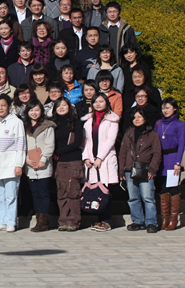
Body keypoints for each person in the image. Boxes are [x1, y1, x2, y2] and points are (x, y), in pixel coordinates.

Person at [119, 107, 162, 233]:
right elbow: (123, 153)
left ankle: (151, 222)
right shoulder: (128, 133)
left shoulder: (152, 135)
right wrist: (121, 171)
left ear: (145, 118)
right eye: (134, 117)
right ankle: (137, 221)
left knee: (148, 197)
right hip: (129, 169)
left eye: (139, 117)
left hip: (145, 169)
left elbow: (157, 153)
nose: (136, 119)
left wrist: (152, 169)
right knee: (133, 198)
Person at [0, 94, 26, 233]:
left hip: (10, 165)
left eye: (3, 105)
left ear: (9, 106)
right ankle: (0, 221)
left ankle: (11, 222)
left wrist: (18, 164)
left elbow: (21, 144)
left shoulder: (16, 122)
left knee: (11, 196)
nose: (0, 108)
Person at [82, 93, 120, 232]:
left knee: (105, 190)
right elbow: (86, 141)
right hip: (91, 160)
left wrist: (100, 158)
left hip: (105, 159)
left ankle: (106, 220)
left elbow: (111, 140)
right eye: (95, 102)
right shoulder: (88, 120)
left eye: (101, 101)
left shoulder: (112, 120)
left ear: (106, 103)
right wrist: (86, 157)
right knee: (95, 190)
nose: (98, 104)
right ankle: (98, 219)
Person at [22, 100, 56, 232]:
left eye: (37, 110)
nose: (34, 113)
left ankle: (44, 221)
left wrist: (43, 159)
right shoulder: (24, 126)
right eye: (31, 110)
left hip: (44, 165)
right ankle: (38, 220)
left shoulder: (48, 126)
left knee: (43, 193)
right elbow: (21, 145)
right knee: (35, 194)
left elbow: (50, 145)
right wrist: (25, 159)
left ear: (41, 111)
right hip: (30, 166)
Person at [52, 97, 84, 232]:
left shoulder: (75, 122)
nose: (61, 108)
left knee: (72, 192)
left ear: (69, 107)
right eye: (58, 106)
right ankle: (63, 220)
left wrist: (59, 151)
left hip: (73, 160)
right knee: (61, 192)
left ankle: (73, 221)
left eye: (64, 105)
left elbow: (77, 143)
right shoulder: (53, 124)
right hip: (59, 162)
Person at [154, 97, 185, 231]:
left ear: (174, 109)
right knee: (162, 189)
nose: (165, 110)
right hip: (160, 159)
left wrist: (178, 162)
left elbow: (181, 144)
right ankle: (164, 219)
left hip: (172, 158)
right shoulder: (158, 123)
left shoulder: (179, 124)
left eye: (168, 108)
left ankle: (173, 219)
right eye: (163, 108)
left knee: (173, 189)